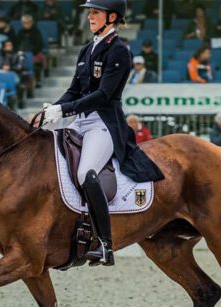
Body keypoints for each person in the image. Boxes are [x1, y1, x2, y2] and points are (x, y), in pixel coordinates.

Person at [42, 0, 164, 266]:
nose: (89, 17)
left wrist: (65, 110)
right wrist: (53, 108)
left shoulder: (119, 51)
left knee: (86, 172)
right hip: (81, 121)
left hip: (103, 124)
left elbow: (103, 95)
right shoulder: (87, 49)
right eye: (89, 12)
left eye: (94, 12)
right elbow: (75, 89)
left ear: (112, 17)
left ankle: (106, 245)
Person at [16, 15, 47, 83]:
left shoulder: (36, 32)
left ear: (31, 22)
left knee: (36, 60)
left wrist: (32, 53)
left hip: (34, 52)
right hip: (22, 52)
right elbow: (17, 43)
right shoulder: (20, 32)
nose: (26, 24)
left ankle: (37, 80)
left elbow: (39, 44)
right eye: (24, 22)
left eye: (28, 22)